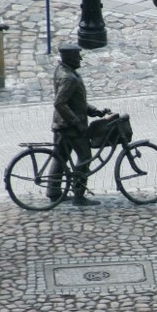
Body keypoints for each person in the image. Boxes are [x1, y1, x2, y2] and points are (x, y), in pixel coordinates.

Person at [46, 42, 109, 206]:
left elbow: (75, 102)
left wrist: (93, 111)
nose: (80, 58)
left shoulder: (63, 70)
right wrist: (77, 123)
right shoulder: (69, 78)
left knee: (60, 158)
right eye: (77, 56)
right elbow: (60, 103)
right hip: (70, 128)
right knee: (85, 157)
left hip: (60, 125)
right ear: (70, 58)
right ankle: (79, 195)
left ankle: (53, 192)